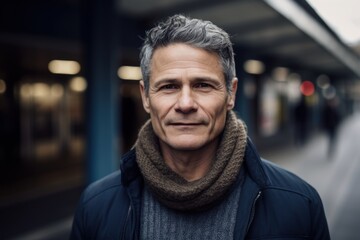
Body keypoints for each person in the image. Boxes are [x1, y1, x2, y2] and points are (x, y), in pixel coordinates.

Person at [70, 14, 330, 239]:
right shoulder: (96, 207)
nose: (185, 103)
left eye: (203, 85)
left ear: (231, 94)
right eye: (169, 86)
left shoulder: (299, 205)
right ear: (146, 96)